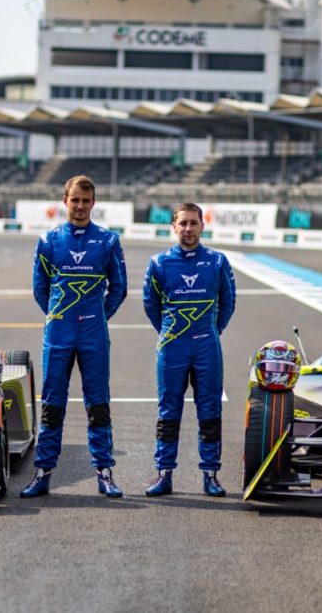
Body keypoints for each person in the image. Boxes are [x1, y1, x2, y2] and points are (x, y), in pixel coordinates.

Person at [20, 175, 128, 498]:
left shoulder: (108, 241)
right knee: (52, 405)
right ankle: (43, 473)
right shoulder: (48, 241)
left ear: (93, 203)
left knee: (98, 404)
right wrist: (59, 315)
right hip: (58, 334)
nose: (80, 206)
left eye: (85, 201)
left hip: (94, 334)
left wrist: (98, 316)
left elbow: (119, 288)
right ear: (64, 202)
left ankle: (104, 473)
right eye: (75, 200)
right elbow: (40, 288)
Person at [142, 202, 236, 497]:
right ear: (174, 226)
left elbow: (228, 302)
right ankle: (164, 474)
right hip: (172, 347)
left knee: (210, 410)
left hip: (207, 345)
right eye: (182, 223)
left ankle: (210, 475)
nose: (188, 228)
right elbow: (150, 305)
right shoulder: (159, 263)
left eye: (193, 223)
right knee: (168, 410)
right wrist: (171, 333)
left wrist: (211, 331)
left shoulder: (218, 261)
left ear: (202, 226)